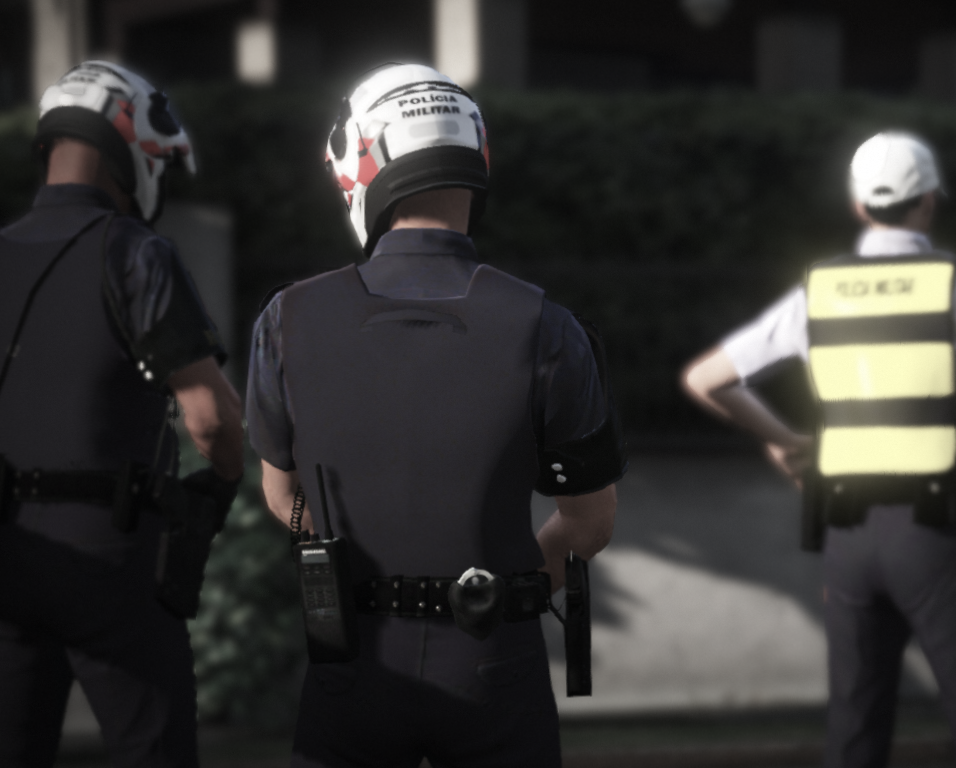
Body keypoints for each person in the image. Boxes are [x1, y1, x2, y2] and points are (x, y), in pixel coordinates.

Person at [246, 64, 625, 768]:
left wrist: (341, 562)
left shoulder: (286, 318)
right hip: (495, 661)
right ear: (476, 156)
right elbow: (589, 524)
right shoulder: (549, 326)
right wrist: (504, 592)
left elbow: (281, 494)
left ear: (359, 163)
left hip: (352, 663)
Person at [682, 131, 956, 768]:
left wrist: (785, 441)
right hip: (940, 536)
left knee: (855, 734)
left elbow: (705, 379)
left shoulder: (818, 292)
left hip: (848, 538)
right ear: (929, 201)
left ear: (858, 205)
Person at [0, 61, 242, 767]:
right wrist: (221, 483)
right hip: (111, 556)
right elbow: (210, 419)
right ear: (129, 147)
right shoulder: (136, 252)